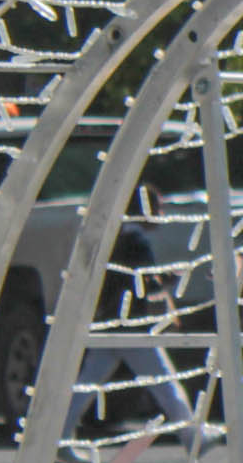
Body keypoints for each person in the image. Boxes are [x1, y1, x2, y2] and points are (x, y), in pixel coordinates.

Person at [74, 188, 200, 446]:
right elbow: (143, 284)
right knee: (166, 383)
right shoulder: (137, 241)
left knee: (87, 383)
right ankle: (192, 435)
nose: (161, 215)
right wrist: (169, 279)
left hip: (109, 320)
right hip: (131, 324)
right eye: (158, 208)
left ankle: (56, 435)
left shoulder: (117, 237)